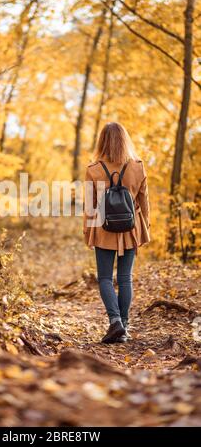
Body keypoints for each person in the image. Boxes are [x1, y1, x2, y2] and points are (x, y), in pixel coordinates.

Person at [83, 122, 150, 344]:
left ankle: (115, 322)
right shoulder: (137, 167)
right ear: (124, 140)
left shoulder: (93, 170)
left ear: (102, 141)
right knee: (125, 278)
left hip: (104, 229)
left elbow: (90, 207)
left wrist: (87, 232)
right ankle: (125, 326)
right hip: (131, 229)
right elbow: (143, 202)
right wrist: (145, 229)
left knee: (104, 278)